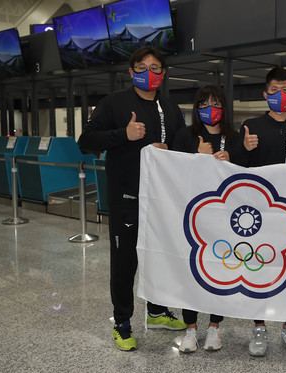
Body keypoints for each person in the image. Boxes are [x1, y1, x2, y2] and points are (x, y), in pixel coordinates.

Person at [78, 46, 187, 352]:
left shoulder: (171, 107)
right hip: (127, 197)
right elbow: (85, 141)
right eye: (141, 67)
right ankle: (122, 322)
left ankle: (156, 311)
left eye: (154, 68)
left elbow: (182, 146)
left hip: (162, 200)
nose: (148, 73)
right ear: (131, 72)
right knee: (125, 262)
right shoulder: (115, 102)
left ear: (163, 74)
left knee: (159, 258)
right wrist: (123, 135)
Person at [233, 66, 286, 356]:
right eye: (273, 90)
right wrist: (244, 148)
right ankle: (259, 328)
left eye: (285, 90)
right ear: (264, 94)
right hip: (258, 212)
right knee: (258, 267)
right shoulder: (251, 126)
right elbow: (236, 168)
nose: (279, 95)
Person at [172, 85, 238, 353]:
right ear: (197, 108)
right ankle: (190, 329)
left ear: (224, 106)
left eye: (216, 103)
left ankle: (214, 327)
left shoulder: (233, 137)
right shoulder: (185, 136)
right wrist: (196, 159)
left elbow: (247, 173)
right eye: (204, 103)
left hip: (223, 217)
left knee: (219, 271)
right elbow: (172, 171)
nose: (211, 109)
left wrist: (232, 159)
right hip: (192, 215)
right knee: (191, 272)